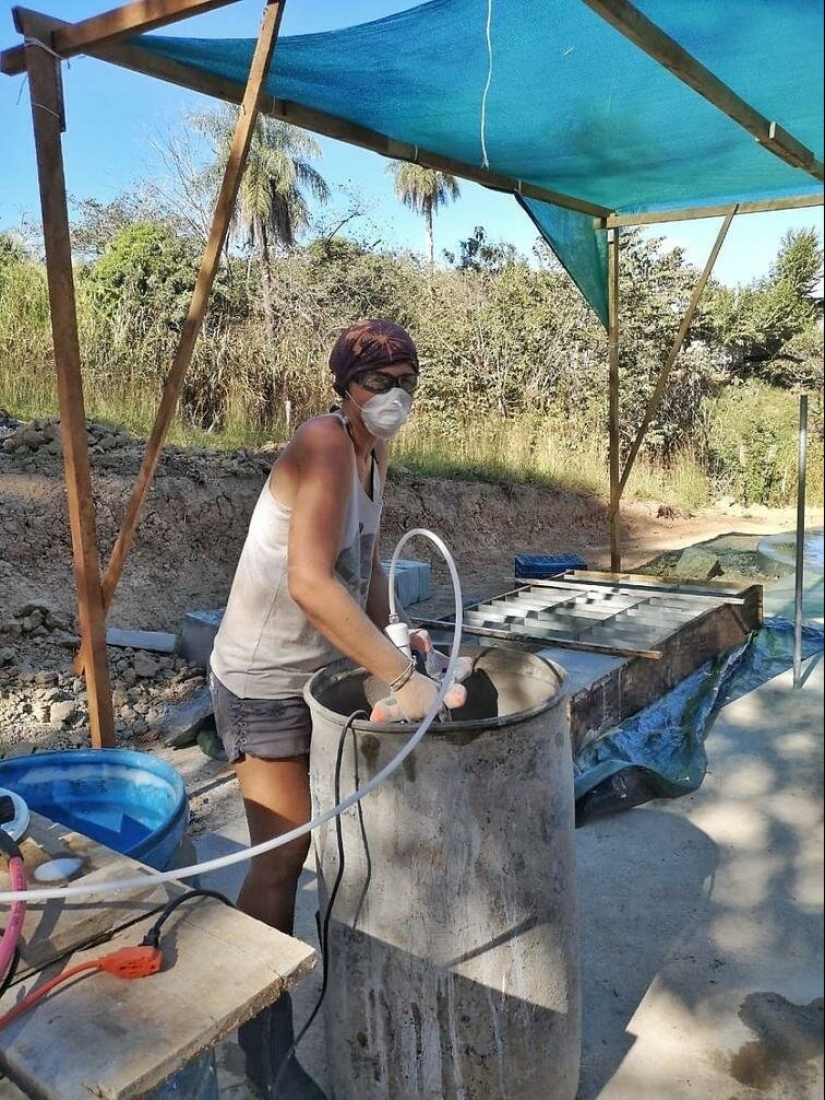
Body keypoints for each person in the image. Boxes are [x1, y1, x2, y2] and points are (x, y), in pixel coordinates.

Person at [208, 318, 467, 1098]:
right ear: (344, 388)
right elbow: (311, 584)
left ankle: (281, 1009)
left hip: (314, 670)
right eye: (376, 382)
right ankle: (260, 1048)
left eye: (404, 381)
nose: (393, 396)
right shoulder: (322, 443)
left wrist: (394, 630)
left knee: (314, 844)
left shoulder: (374, 451)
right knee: (281, 858)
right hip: (263, 677)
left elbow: (359, 565)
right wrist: (399, 679)